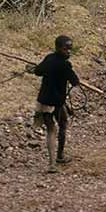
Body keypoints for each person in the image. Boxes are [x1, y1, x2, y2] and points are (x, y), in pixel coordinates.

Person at [30, 35, 80, 173]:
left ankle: (52, 164)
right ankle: (59, 157)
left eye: (70, 49)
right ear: (58, 48)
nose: (69, 52)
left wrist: (37, 67)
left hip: (43, 102)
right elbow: (75, 82)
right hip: (56, 103)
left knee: (51, 130)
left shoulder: (49, 58)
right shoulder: (65, 65)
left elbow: (37, 71)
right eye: (66, 49)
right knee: (62, 125)